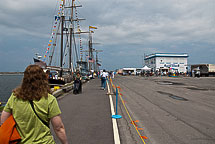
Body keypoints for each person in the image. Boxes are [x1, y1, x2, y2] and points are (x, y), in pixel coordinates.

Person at [0, 65, 68, 144]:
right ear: (43, 79)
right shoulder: (49, 99)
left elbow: (3, 121)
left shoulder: (14, 97)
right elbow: (58, 128)